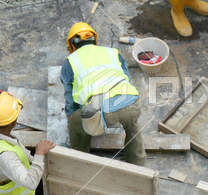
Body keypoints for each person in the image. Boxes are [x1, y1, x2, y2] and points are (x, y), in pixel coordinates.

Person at [60, 22, 146, 166]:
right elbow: (127, 79)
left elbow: (71, 101)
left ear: (72, 47)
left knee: (76, 121)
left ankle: (80, 161)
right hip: (130, 102)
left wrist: (76, 119)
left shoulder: (70, 62)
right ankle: (137, 162)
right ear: (94, 41)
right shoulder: (113, 53)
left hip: (100, 108)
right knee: (133, 126)